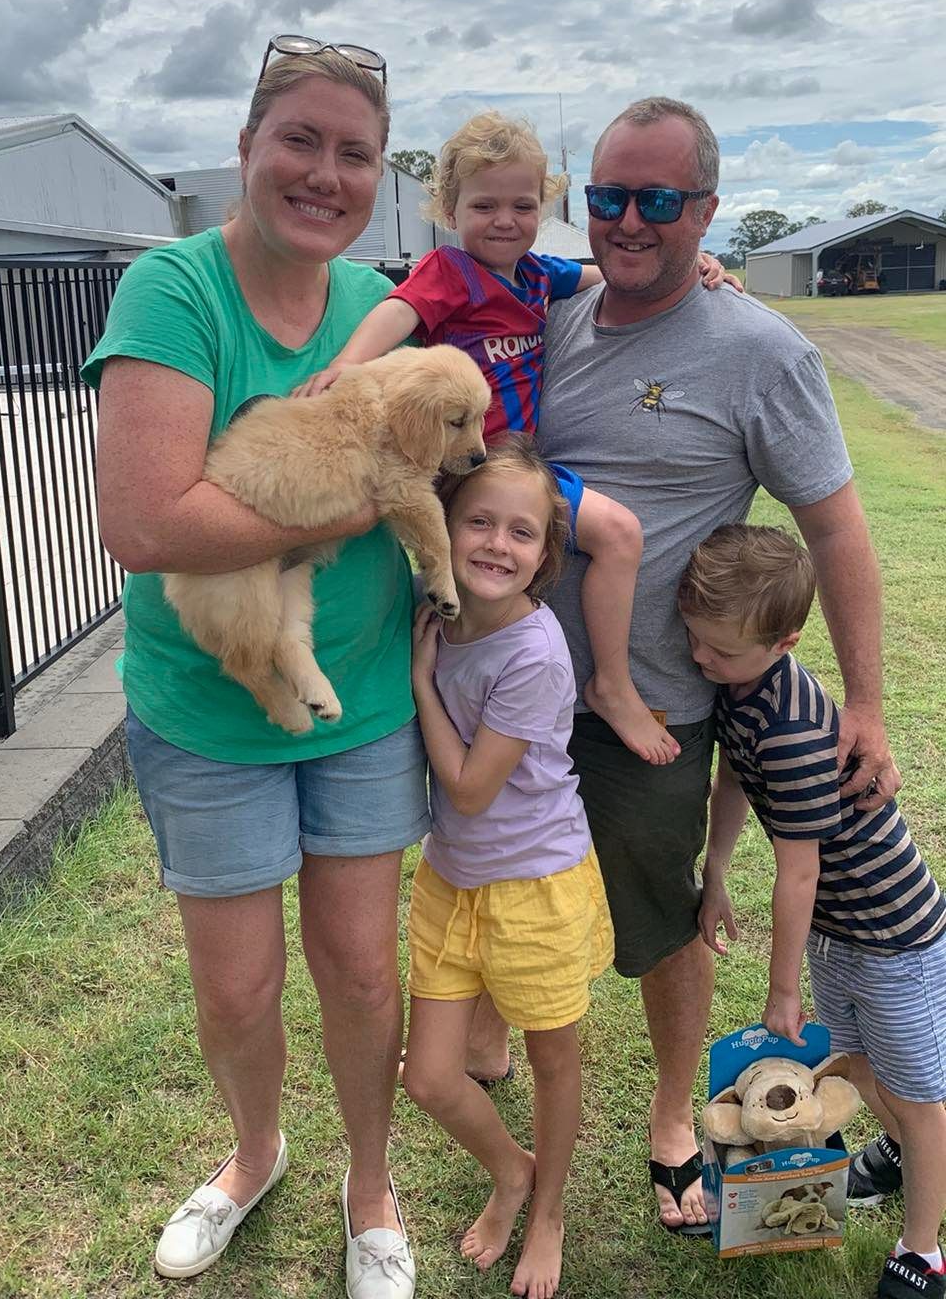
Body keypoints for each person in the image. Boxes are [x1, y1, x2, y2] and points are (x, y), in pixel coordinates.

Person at [463, 95, 901, 1237]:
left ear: (705, 209)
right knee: (485, 866)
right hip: (503, 681)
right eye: (607, 196)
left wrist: (863, 700)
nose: (628, 221)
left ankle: (669, 1119)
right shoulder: (548, 312)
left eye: (659, 200)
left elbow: (837, 528)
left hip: (648, 704)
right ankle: (492, 1029)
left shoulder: (759, 349)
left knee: (661, 916)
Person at [82, 39, 422, 1298]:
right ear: (246, 148)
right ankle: (255, 1154)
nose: (323, 173)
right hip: (210, 709)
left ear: (379, 179)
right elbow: (148, 521)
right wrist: (345, 509)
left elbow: (520, 301)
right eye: (301, 140)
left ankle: (371, 1186)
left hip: (363, 704)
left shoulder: (379, 307)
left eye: (353, 154)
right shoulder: (175, 293)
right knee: (236, 992)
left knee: (365, 968)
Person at [303, 112, 738, 764]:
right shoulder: (449, 271)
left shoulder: (538, 276)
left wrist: (696, 262)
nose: (504, 220)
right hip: (475, 463)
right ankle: (611, 686)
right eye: (484, 205)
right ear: (450, 209)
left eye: (522, 204)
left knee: (543, 577)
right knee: (614, 536)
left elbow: (608, 275)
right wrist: (349, 365)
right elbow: (400, 309)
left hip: (515, 465)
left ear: (544, 205)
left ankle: (534, 699)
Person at [685, 523, 946, 1299]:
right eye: (694, 640)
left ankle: (925, 1249)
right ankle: (898, 1154)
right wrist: (718, 866)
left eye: (718, 650)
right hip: (841, 931)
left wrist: (781, 992)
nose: (700, 659)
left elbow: (799, 873)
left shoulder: (795, 730)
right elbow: (732, 777)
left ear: (783, 640)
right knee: (864, 1066)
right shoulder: (739, 690)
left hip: (891, 936)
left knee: (920, 1096)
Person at [401, 434, 613, 1299]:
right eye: (477, 522)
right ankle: (511, 1169)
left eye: (522, 533)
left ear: (546, 553)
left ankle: (550, 1213)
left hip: (537, 885)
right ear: (440, 529)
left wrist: (421, 683)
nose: (497, 544)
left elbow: (469, 785)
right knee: (427, 1077)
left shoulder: (535, 653)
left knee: (554, 1060)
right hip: (452, 880)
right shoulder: (438, 611)